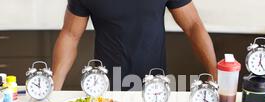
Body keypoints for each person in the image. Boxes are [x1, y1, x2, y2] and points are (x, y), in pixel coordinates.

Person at [52, 0, 217, 91]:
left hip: (154, 86)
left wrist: (214, 75)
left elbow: (193, 26)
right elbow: (70, 35)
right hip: (106, 86)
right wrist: (53, 88)